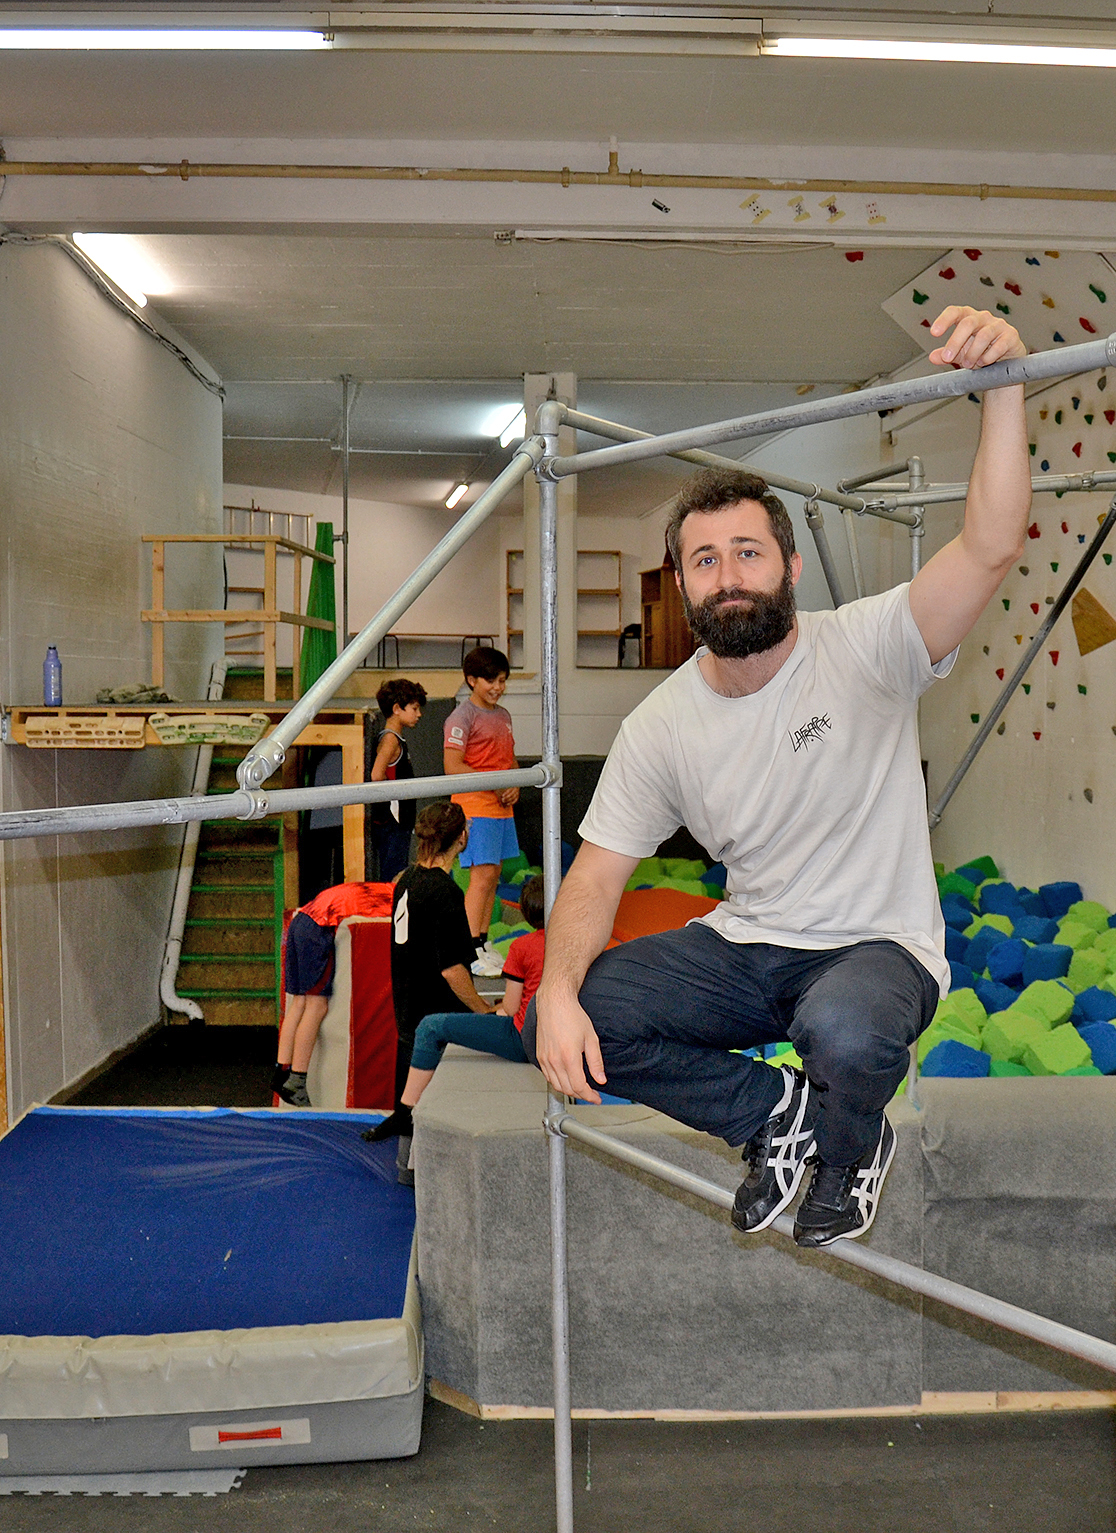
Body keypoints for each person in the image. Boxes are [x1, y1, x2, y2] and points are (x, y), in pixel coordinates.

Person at [534, 305, 1030, 1248]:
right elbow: (595, 878)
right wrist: (556, 995)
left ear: (790, 566)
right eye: (706, 560)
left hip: (872, 950)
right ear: (682, 586)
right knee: (576, 1015)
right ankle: (780, 1115)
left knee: (846, 1030)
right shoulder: (662, 724)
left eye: (748, 553)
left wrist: (1001, 391)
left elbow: (990, 543)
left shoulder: (872, 645)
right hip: (751, 948)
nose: (729, 575)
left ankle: (847, 1153)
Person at [366, 875, 547, 1140]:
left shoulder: (522, 947)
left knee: (430, 1027)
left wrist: (489, 1010)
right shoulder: (578, 944)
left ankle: (405, 1111)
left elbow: (510, 1008)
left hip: (526, 1040)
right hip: (559, 1036)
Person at [365, 802, 483, 1142]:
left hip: (407, 993)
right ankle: (421, 1124)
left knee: (409, 1045)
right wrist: (482, 1009)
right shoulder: (445, 892)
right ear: (460, 838)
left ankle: (402, 1114)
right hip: (433, 1002)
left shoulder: (407, 880)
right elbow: (452, 970)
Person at [443, 645, 521, 975]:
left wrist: (514, 781)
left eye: (502, 680)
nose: (497, 687)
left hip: (502, 808)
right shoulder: (461, 717)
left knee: (493, 876)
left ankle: (483, 942)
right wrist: (493, 781)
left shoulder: (503, 715)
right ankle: (468, 947)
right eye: (491, 680)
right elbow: (452, 766)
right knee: (481, 877)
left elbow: (508, 760)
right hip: (475, 806)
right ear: (472, 680)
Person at [276, 879, 368, 1107]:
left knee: (298, 1003)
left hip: (301, 921)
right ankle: (297, 1079)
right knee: (317, 1006)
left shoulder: (367, 888)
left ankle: (281, 1071)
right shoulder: (388, 896)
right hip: (317, 927)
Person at [369, 677, 426, 881]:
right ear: (396, 708)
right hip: (393, 823)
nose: (419, 714)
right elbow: (376, 775)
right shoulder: (390, 739)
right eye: (414, 708)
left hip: (398, 822)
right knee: (392, 876)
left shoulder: (395, 738)